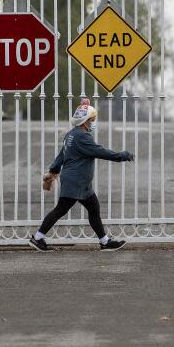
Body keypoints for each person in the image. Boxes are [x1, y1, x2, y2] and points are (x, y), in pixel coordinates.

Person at [29, 99, 134, 252]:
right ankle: (37, 238)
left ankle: (104, 242)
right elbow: (100, 151)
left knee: (93, 208)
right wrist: (122, 155)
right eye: (92, 120)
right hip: (75, 182)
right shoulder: (82, 137)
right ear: (85, 121)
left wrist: (53, 170)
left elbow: (61, 156)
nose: (93, 123)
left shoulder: (71, 134)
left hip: (81, 184)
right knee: (60, 210)